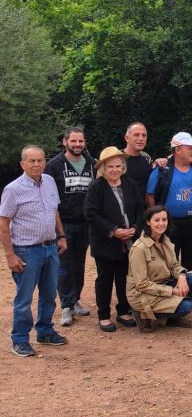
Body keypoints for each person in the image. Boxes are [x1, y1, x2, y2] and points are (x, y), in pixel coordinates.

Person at [1, 145, 68, 357]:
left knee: (49, 294)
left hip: (50, 247)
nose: (37, 164)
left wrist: (62, 235)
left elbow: (54, 210)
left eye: (40, 160)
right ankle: (20, 339)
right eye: (31, 161)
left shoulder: (49, 182)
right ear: (22, 164)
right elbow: (3, 223)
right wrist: (10, 255)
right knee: (24, 298)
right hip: (26, 250)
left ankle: (45, 331)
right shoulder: (13, 189)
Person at [84, 147, 144, 332]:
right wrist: (113, 230)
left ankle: (123, 311)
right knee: (105, 278)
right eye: (110, 166)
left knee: (124, 277)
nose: (115, 169)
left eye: (118, 166)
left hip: (129, 240)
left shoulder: (130, 183)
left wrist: (135, 227)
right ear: (103, 168)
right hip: (106, 242)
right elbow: (90, 214)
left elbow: (141, 208)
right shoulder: (97, 186)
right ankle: (103, 315)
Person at [45, 127, 95, 327]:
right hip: (63, 224)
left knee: (79, 265)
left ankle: (75, 301)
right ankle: (66, 306)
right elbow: (49, 199)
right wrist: (58, 231)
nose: (77, 145)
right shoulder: (54, 166)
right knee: (63, 266)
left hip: (85, 224)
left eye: (80, 141)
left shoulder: (92, 164)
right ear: (64, 142)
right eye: (73, 141)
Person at [146, 132, 192, 271]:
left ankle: (189, 291)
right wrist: (156, 220)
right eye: (189, 148)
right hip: (170, 224)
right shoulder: (162, 171)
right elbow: (150, 195)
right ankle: (171, 290)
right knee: (168, 260)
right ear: (177, 150)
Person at [127, 206, 192, 332]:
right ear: (148, 222)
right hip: (142, 294)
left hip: (162, 284)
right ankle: (142, 314)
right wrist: (172, 291)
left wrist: (182, 276)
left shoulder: (165, 239)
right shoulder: (139, 249)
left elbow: (174, 265)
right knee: (187, 306)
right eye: (156, 220)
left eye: (164, 219)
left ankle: (171, 315)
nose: (161, 223)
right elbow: (142, 284)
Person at [122, 122, 154, 191]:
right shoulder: (116, 157)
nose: (141, 138)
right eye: (136, 135)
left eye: (144, 135)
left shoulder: (147, 158)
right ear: (127, 138)